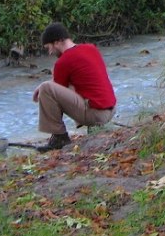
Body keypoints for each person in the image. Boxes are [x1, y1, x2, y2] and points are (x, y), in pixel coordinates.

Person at [33, 22, 116, 151]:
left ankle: (59, 137)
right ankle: (95, 128)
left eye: (49, 47)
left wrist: (43, 87)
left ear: (57, 42)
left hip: (96, 115)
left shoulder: (63, 62)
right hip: (110, 109)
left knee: (46, 88)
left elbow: (53, 93)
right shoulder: (90, 48)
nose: (49, 52)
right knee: (68, 84)